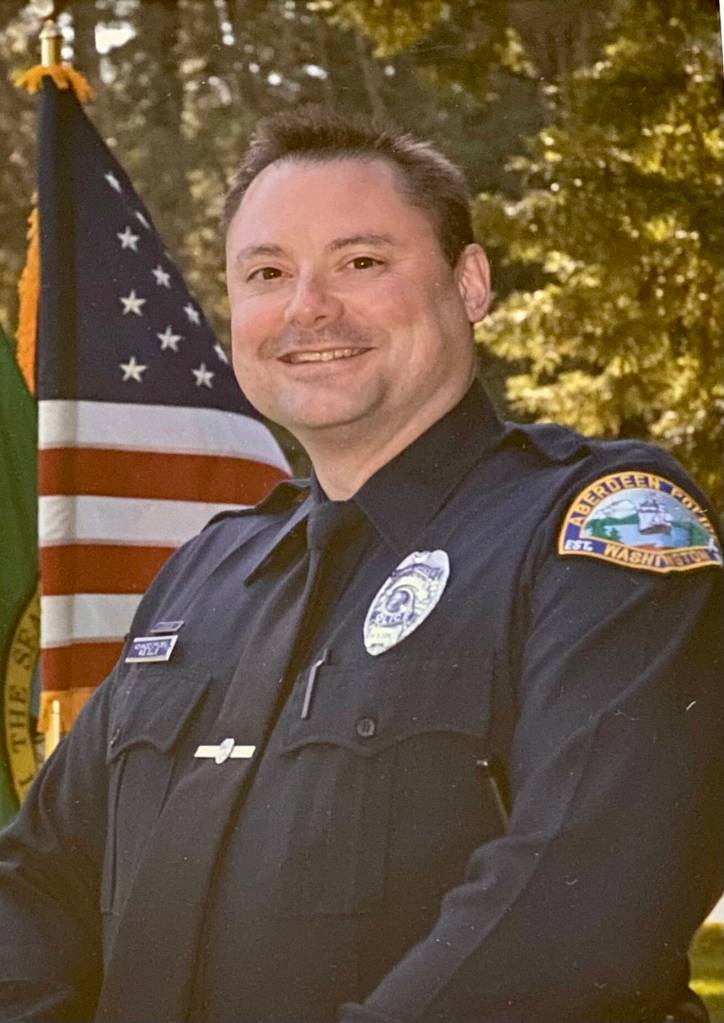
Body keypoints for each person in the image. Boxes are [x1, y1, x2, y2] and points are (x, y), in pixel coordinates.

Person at [1, 106, 723, 1023]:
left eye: (361, 262)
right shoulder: (203, 576)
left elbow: (586, 907)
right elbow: (38, 882)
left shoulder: (600, 532)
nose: (307, 308)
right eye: (268, 273)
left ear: (470, 283)